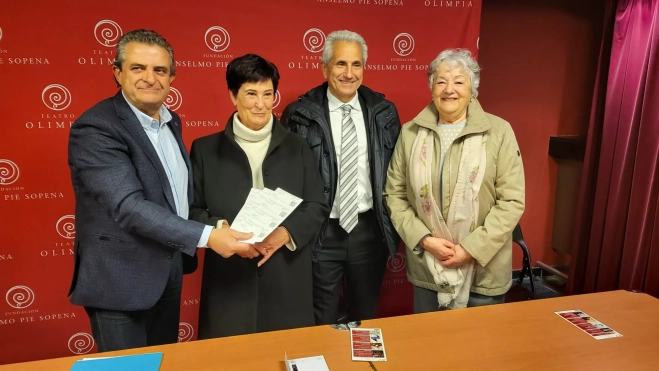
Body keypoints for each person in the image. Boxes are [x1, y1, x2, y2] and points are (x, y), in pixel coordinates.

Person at [67, 29, 253, 352]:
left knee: (164, 361)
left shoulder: (171, 121)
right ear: (117, 72)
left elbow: (175, 196)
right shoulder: (96, 127)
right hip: (118, 281)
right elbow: (129, 206)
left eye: (160, 70)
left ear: (171, 77)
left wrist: (216, 224)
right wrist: (209, 236)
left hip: (167, 272)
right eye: (138, 68)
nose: (150, 78)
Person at [189, 54, 329, 338]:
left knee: (290, 352)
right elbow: (192, 210)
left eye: (268, 94)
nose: (261, 104)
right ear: (233, 96)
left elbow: (317, 203)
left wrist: (285, 233)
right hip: (229, 276)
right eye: (251, 94)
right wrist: (222, 230)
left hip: (287, 272)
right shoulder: (204, 149)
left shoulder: (298, 146)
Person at [384, 48, 525, 313]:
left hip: (484, 270)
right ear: (431, 87)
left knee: (478, 348)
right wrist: (425, 240)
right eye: (441, 81)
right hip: (429, 266)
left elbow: (511, 202)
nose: (449, 89)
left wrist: (469, 249)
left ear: (473, 89)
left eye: (459, 81)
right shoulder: (411, 133)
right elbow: (395, 195)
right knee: (430, 346)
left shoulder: (499, 132)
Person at [281, 30, 401, 325]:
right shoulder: (299, 114)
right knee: (320, 318)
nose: (349, 73)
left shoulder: (384, 112)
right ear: (325, 68)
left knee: (365, 318)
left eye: (356, 64)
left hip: (369, 232)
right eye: (340, 64)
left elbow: (399, 175)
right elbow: (285, 179)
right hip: (321, 233)